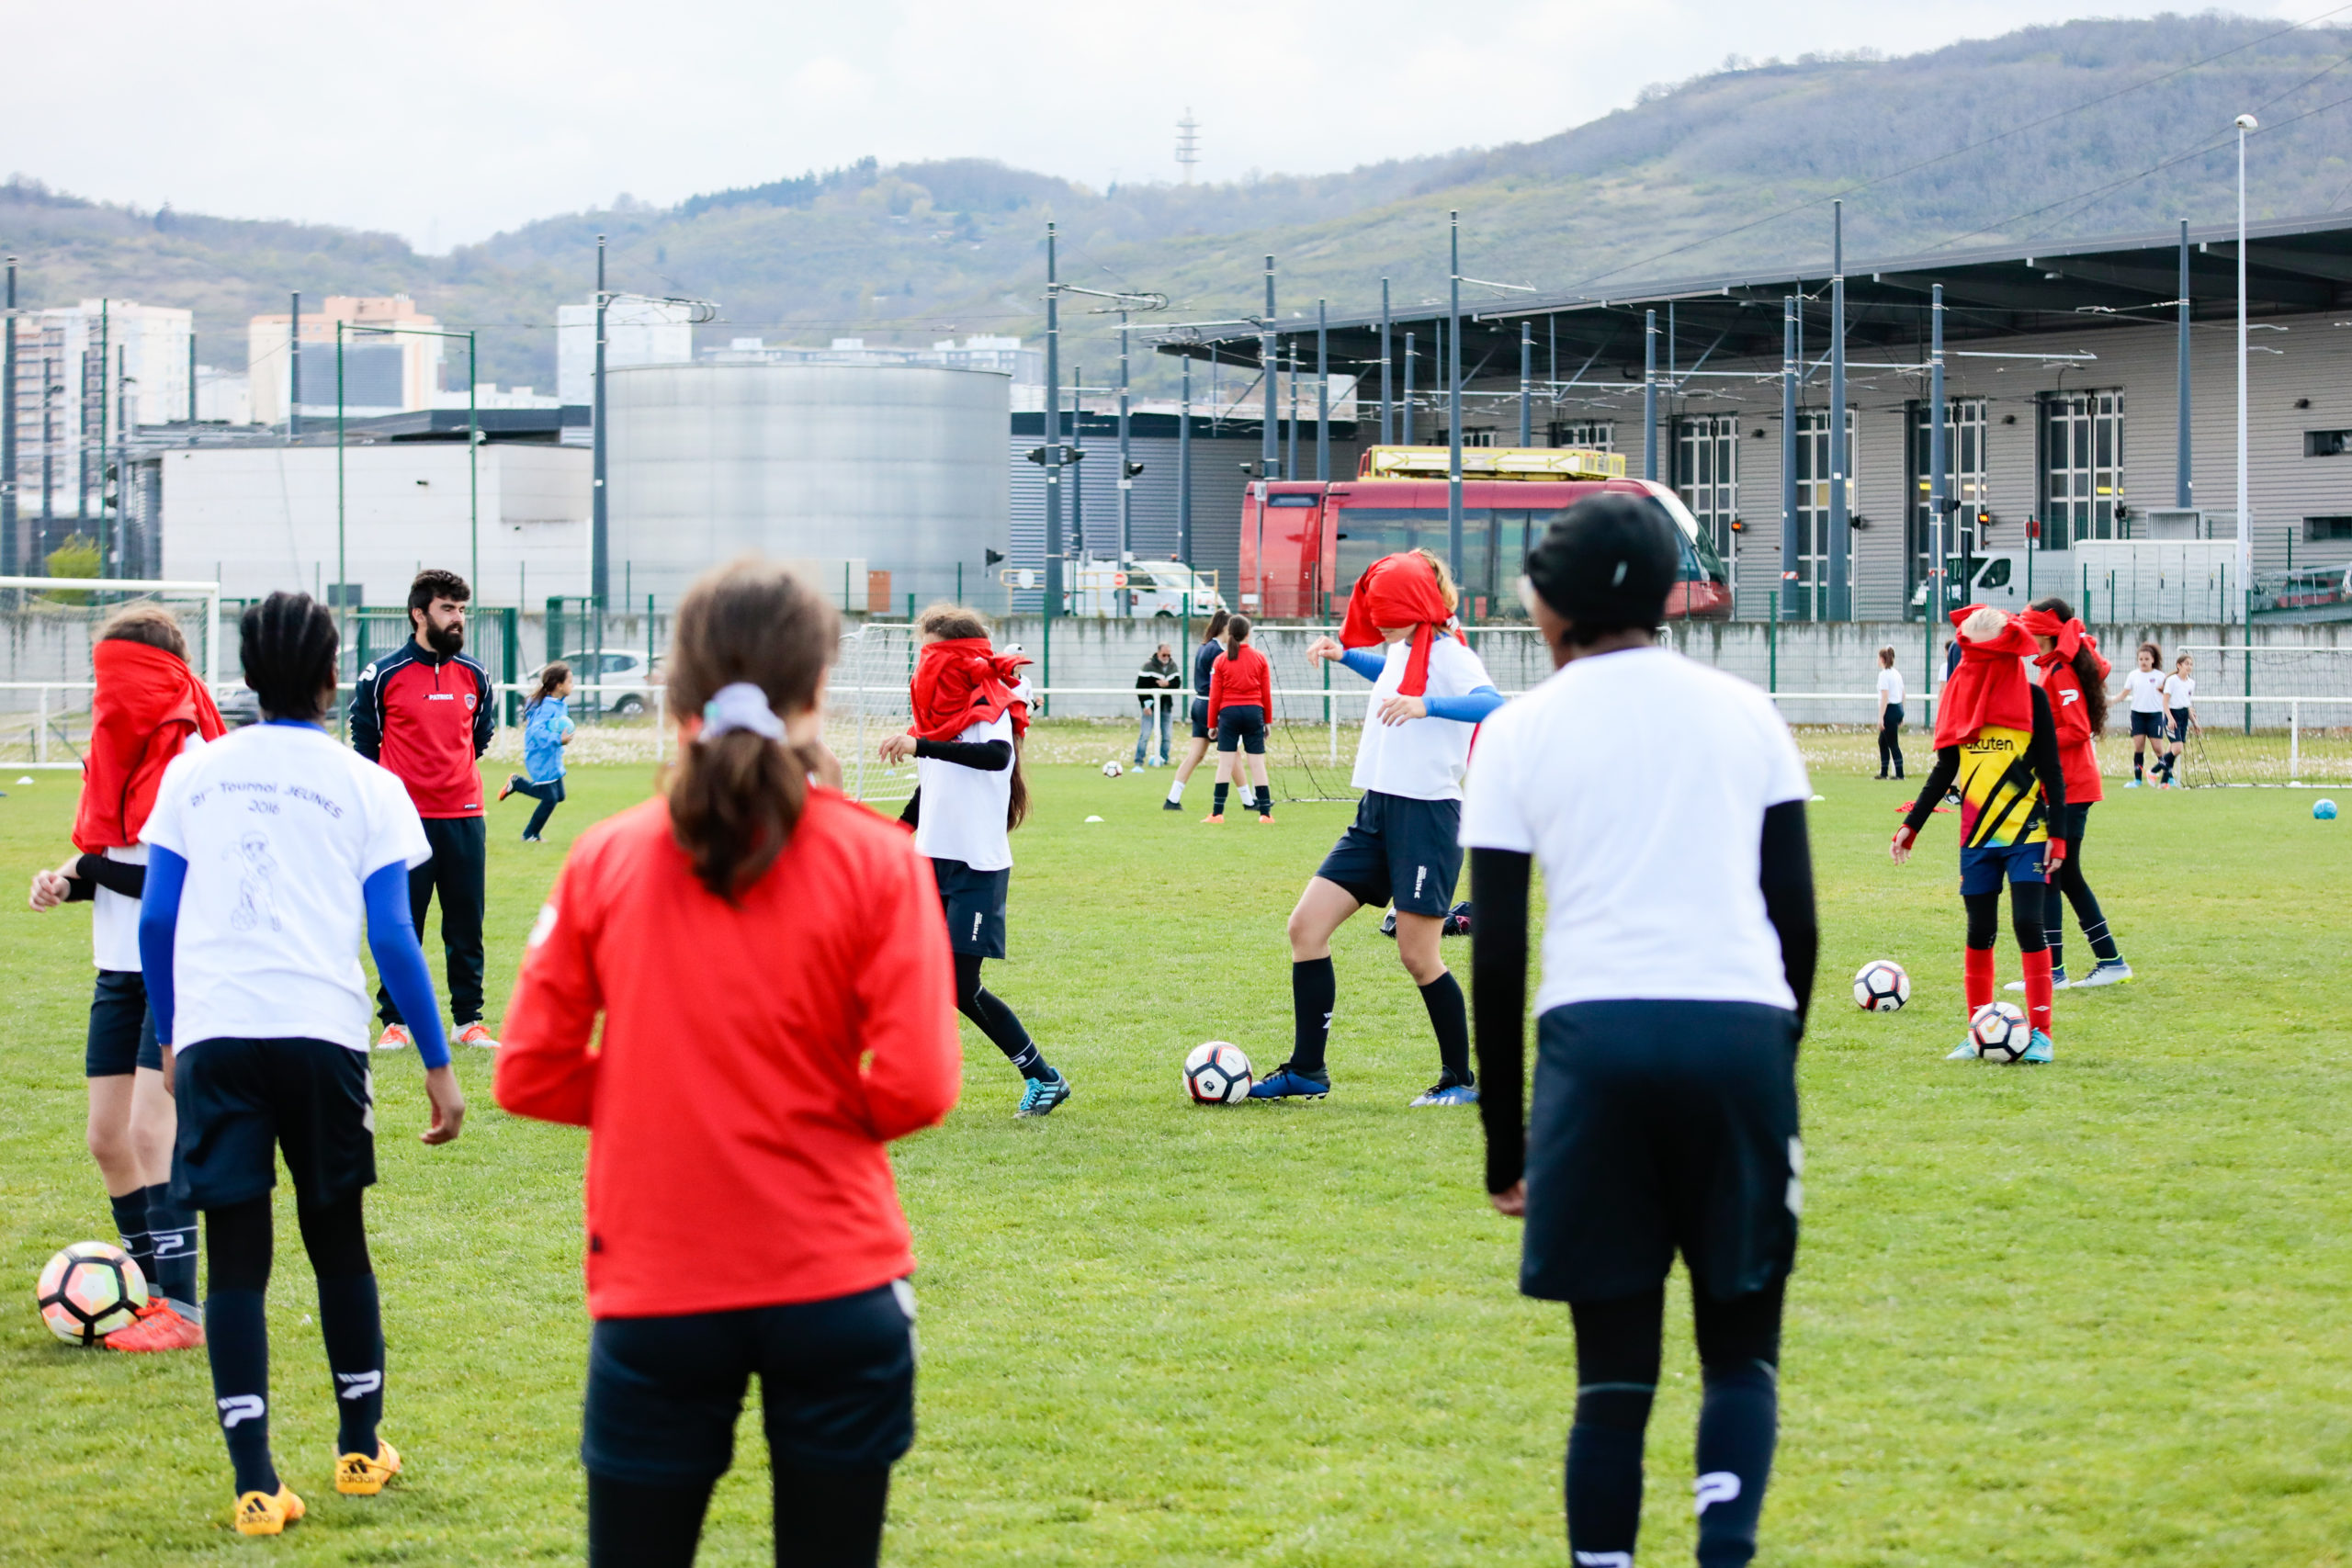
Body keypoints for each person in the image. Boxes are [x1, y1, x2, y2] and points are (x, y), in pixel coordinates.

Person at [499, 561, 959, 1568]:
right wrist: (782, 1107)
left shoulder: (606, 856)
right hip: (836, 1284)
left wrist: (671, 1097)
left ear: (675, 693)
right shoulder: (880, 856)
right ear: (819, 691)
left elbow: (527, 1071)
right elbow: (923, 1083)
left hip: (659, 1293)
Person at [1460, 494, 1817, 1568]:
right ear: (1666, 591)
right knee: (1739, 1352)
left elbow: (1499, 952)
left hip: (1595, 1047)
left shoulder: (1517, 730)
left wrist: (1505, 1146)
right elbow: (1795, 923)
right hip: (1740, 1037)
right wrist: (1767, 1074)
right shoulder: (1745, 710)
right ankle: (1724, 1547)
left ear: (1547, 602)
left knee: (1610, 1380)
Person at [137, 591, 466, 1536]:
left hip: (218, 1037)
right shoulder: (367, 783)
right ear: (333, 676)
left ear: (243, 673)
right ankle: (360, 1452)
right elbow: (395, 940)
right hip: (322, 1035)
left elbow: (158, 920)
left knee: (238, 1261)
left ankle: (255, 1484)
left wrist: (169, 1035)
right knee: (337, 1245)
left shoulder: (197, 773)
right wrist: (438, 1065)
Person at [25, 604, 225, 1352]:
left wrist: (86, 867)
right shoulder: (119, 750)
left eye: (115, 676)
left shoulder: (194, 749)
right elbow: (117, 859)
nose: (103, 693)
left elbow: (182, 877)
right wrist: (67, 881)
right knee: (108, 1137)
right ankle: (141, 1293)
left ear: (154, 676)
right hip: (118, 966)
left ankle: (184, 1308)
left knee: (151, 1130)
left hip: (176, 962)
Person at [1254, 549, 1503, 1105]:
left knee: (1418, 956)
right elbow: (1387, 674)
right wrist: (1346, 655)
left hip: (1427, 817)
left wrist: (1428, 706)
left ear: (1416, 605)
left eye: (1388, 609)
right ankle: (1306, 1072)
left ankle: (1460, 1082)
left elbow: (1492, 703)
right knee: (1306, 929)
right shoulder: (1401, 649)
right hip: (1376, 813)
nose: (1379, 619)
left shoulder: (1447, 652)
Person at [879, 604, 1071, 1117]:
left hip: (976, 868)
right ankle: (895, 1081)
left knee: (960, 988)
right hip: (929, 861)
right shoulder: (938, 712)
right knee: (901, 972)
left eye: (933, 653)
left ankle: (1044, 1077)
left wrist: (922, 744)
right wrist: (899, 830)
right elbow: (935, 783)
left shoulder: (992, 704)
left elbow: (995, 760)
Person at [1892, 605, 2067, 1063]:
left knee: (2028, 923)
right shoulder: (1960, 698)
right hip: (1976, 838)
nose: (1968, 664)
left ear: (2002, 654)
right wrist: (1913, 823)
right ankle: (1978, 1032)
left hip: (2028, 831)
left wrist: (2060, 835)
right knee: (1980, 930)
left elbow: (2052, 769)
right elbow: (1945, 767)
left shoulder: (2033, 700)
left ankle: (2042, 1034)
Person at [351, 569, 499, 1051]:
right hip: (401, 823)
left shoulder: (475, 675)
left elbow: (478, 737)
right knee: (401, 924)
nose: (458, 619)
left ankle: (468, 1021)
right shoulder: (383, 675)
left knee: (465, 924)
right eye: (448, 610)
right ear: (419, 614)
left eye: (462, 610)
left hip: (463, 817)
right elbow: (365, 743)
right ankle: (396, 1022)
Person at [2012, 599, 2131, 989]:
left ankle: (2055, 972)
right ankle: (2107, 961)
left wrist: (2034, 746)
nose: (2026, 631)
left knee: (2055, 873)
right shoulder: (2051, 669)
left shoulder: (2061, 672)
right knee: (2065, 875)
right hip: (2065, 786)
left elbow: (2078, 729)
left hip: (2072, 787)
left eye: (2030, 626)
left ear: (2045, 632)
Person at [1204, 613, 1274, 823]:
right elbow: (1265, 693)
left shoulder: (1220, 660)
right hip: (1254, 712)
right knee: (1257, 764)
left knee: (1225, 764)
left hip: (1229, 714)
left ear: (1229, 632)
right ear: (1248, 633)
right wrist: (1267, 721)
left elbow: (1214, 696)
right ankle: (1265, 814)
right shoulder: (1260, 657)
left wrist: (1211, 724)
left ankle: (1217, 813)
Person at [500, 661, 578, 842]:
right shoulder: (547, 707)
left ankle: (517, 783)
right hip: (540, 756)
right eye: (570, 681)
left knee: (559, 796)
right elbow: (536, 731)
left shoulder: (559, 704)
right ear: (559, 685)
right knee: (549, 799)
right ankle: (530, 835)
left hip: (552, 756)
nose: (572, 685)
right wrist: (558, 739)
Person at [1163, 609, 1230, 811]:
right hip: (1210, 705)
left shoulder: (1204, 647)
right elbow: (1216, 683)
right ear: (1225, 628)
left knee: (1196, 754)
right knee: (1231, 753)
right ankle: (1250, 800)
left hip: (1198, 704)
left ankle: (1172, 799)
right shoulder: (1217, 652)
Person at [2119, 642, 2166, 786]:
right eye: (2141, 659)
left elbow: (2169, 695)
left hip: (2155, 715)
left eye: (2146, 659)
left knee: (2158, 748)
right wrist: (2110, 701)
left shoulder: (2160, 676)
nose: (2143, 662)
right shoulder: (2133, 675)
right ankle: (2137, 780)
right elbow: (2123, 694)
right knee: (2139, 747)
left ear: (2153, 660)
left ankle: (2167, 776)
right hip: (2137, 715)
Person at [1134, 642, 1180, 767]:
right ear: (1158, 653)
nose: (1166, 657)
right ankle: (1138, 761)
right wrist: (1145, 705)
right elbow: (1140, 687)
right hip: (1150, 707)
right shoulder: (1148, 666)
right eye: (1164, 654)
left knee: (1167, 736)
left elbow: (1177, 683)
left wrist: (1168, 684)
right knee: (1145, 734)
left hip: (1166, 707)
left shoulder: (1172, 666)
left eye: (1169, 655)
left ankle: (1164, 760)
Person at [2155, 652, 2197, 787]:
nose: (2189, 667)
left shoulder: (2191, 683)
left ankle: (2164, 781)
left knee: (2172, 749)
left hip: (2184, 716)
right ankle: (2153, 770)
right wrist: (2170, 719)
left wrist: (2195, 723)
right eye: (2186, 664)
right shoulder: (2172, 681)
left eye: (2191, 664)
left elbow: (2187, 704)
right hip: (2172, 716)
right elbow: (2165, 702)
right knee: (2178, 748)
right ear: (2179, 665)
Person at [1875, 647, 1905, 781]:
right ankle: (1883, 772)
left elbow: (1885, 697)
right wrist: (1902, 713)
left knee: (1893, 743)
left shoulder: (1884, 675)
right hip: (1897, 708)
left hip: (1890, 710)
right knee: (1882, 741)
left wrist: (1881, 717)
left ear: (1882, 659)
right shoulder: (1896, 673)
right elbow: (1903, 693)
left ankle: (1899, 773)